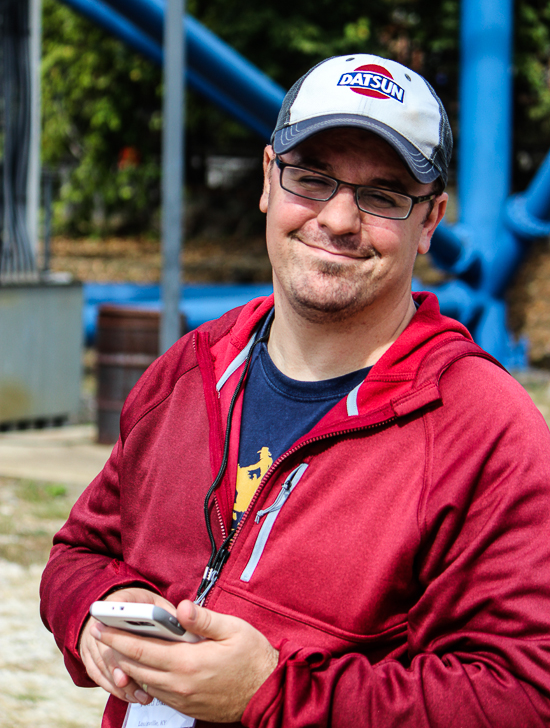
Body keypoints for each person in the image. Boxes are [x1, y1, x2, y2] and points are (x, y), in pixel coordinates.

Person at [40, 54, 550, 728]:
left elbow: (521, 697)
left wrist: (274, 693)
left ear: (431, 222)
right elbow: (79, 551)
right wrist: (95, 618)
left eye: (384, 195)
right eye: (311, 179)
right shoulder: (194, 367)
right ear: (267, 181)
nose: (339, 220)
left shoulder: (488, 431)